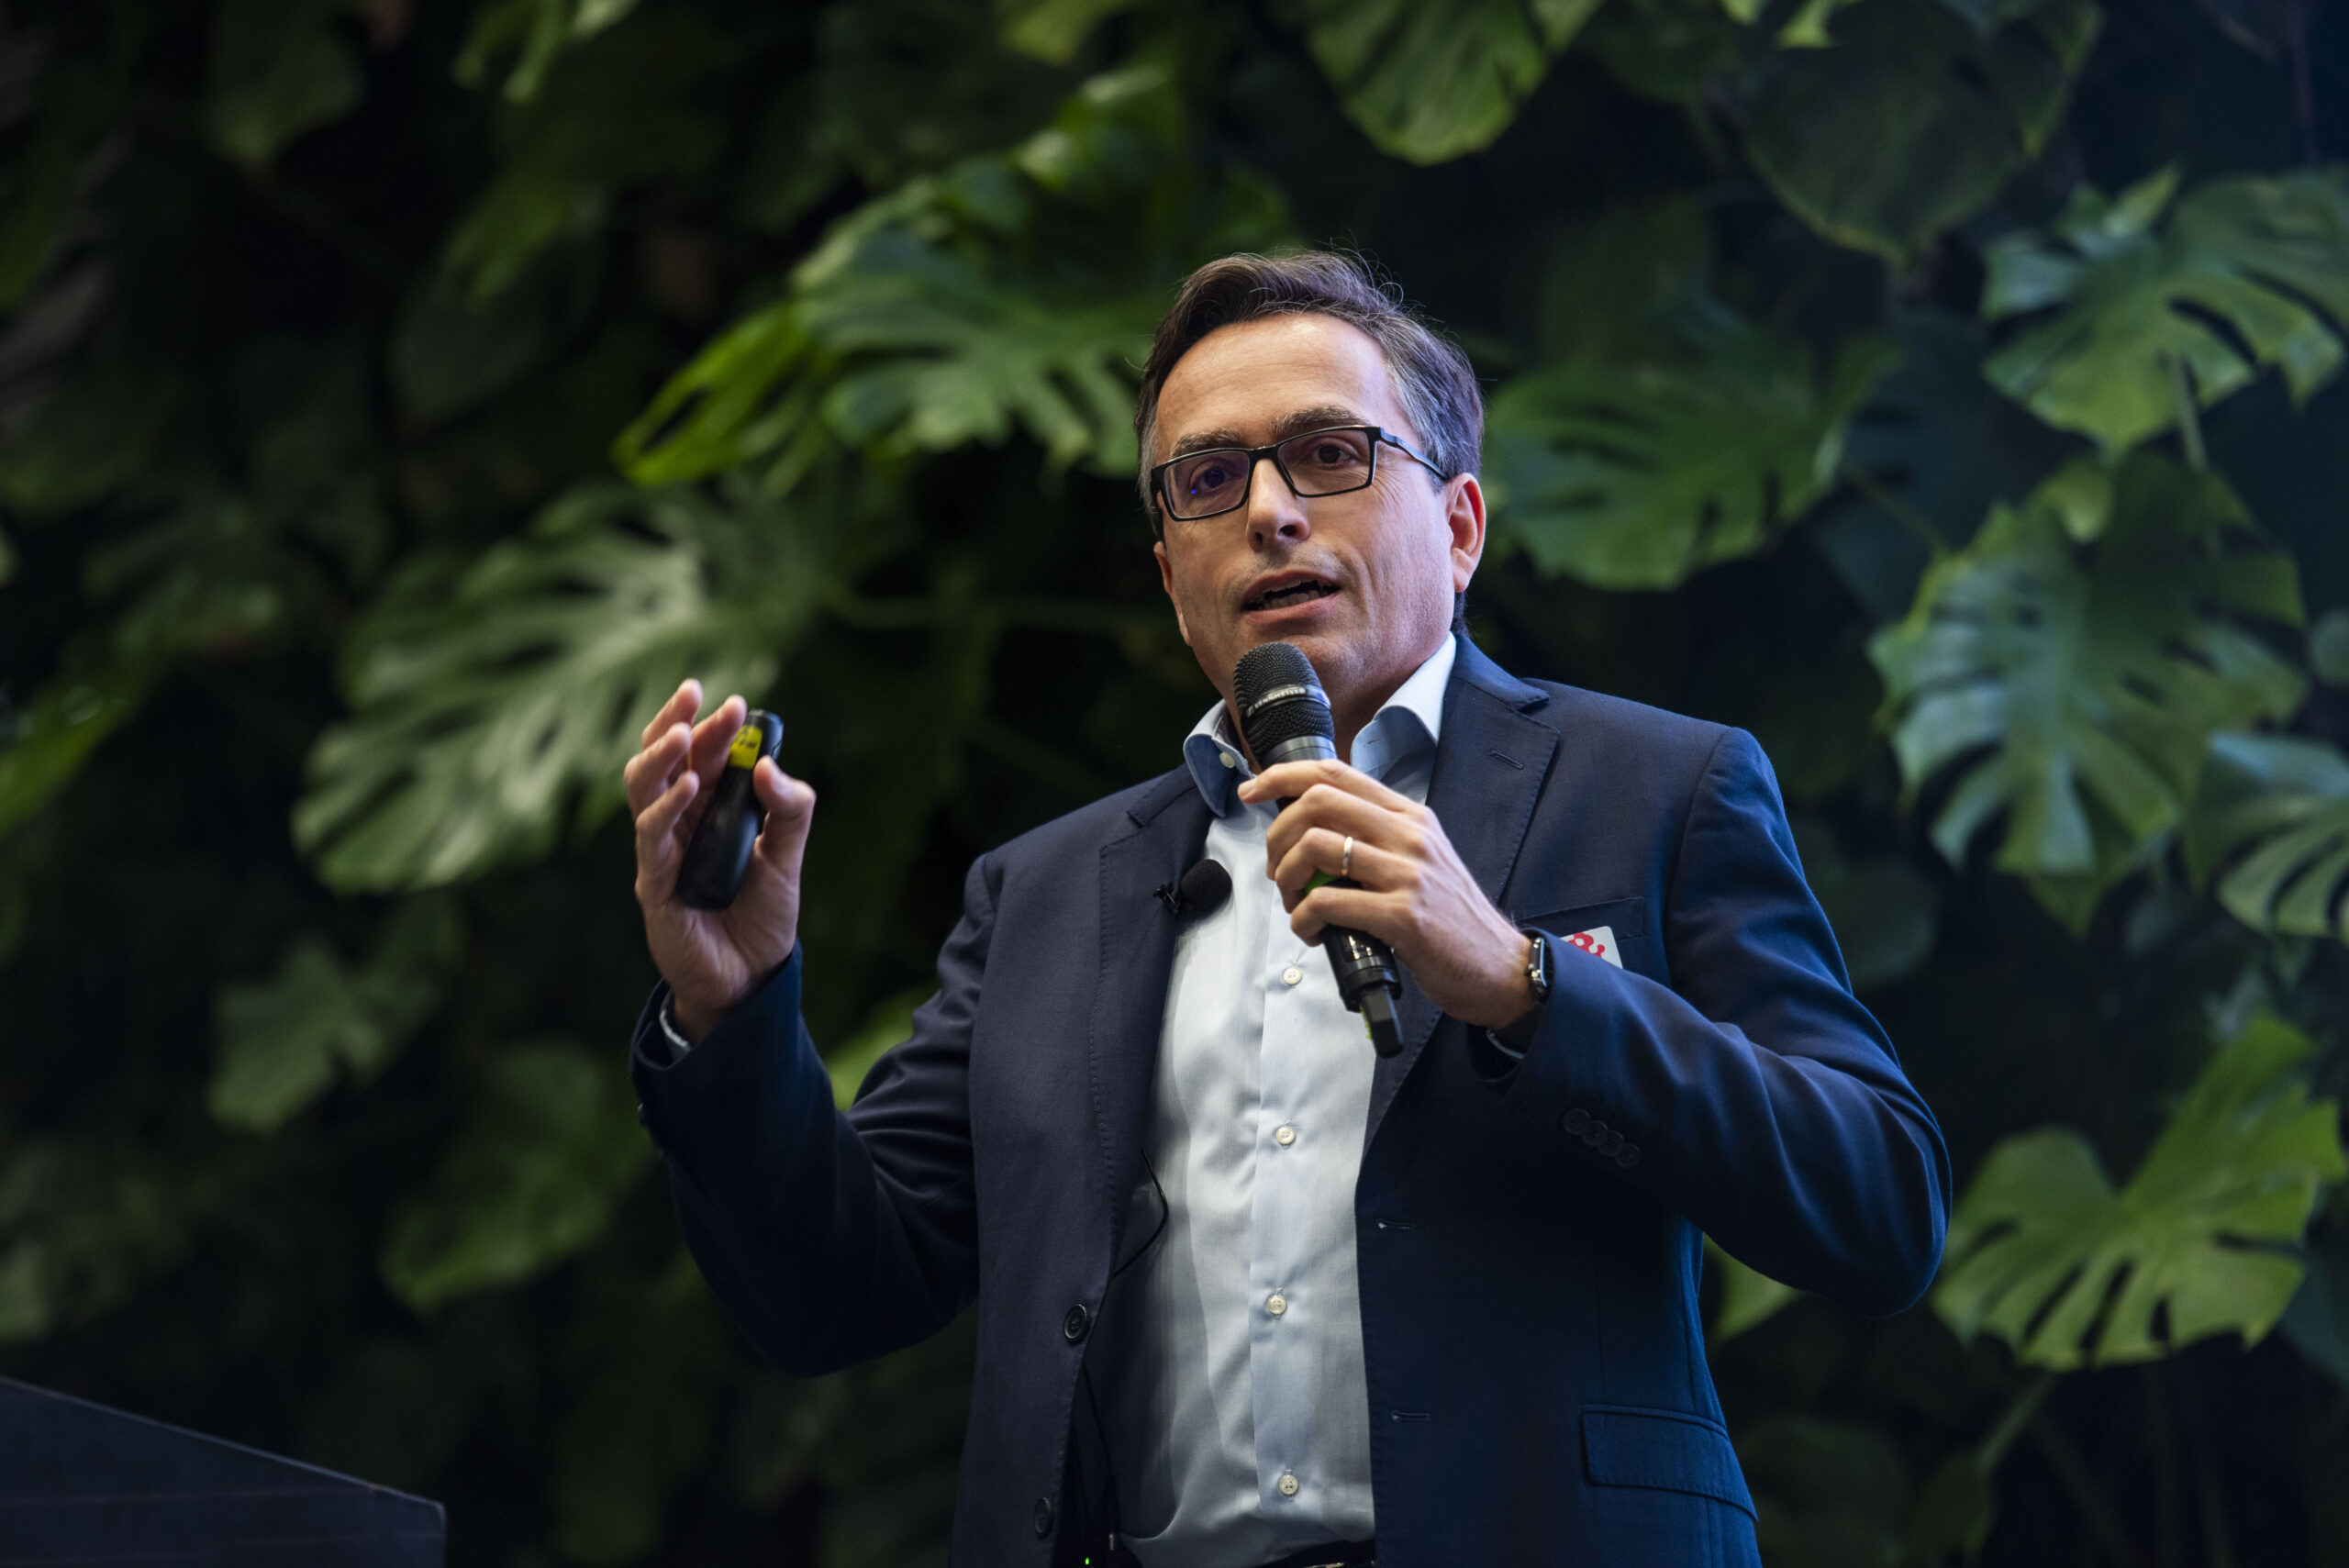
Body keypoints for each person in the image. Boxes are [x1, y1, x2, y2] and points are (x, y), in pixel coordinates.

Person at [621, 252, 1950, 1568]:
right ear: (1170, 574)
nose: (1269, 512)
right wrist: (729, 1003)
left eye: (1328, 455)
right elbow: (831, 1291)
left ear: (1462, 527)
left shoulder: (1655, 788)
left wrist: (1527, 984)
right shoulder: (1044, 893)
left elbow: (1880, 1203)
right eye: (1210, 478)